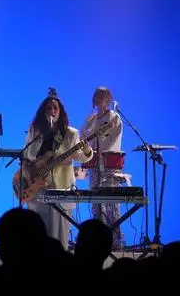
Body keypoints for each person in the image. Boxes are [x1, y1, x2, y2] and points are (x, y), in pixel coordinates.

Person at [23, 88, 93, 250]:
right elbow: (26, 154)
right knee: (39, 229)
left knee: (59, 233)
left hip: (61, 186)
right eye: (48, 108)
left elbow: (82, 158)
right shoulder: (35, 131)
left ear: (60, 111)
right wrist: (26, 171)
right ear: (43, 111)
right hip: (36, 185)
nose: (52, 111)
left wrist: (87, 150)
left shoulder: (70, 133)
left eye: (55, 108)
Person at [79, 86, 124, 247]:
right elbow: (82, 137)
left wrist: (100, 150)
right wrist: (88, 152)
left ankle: (115, 241)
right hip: (94, 165)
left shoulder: (114, 118)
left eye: (102, 96)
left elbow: (113, 140)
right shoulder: (90, 119)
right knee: (96, 202)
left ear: (108, 99)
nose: (98, 99)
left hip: (109, 165)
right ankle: (97, 240)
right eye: (96, 96)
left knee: (111, 203)